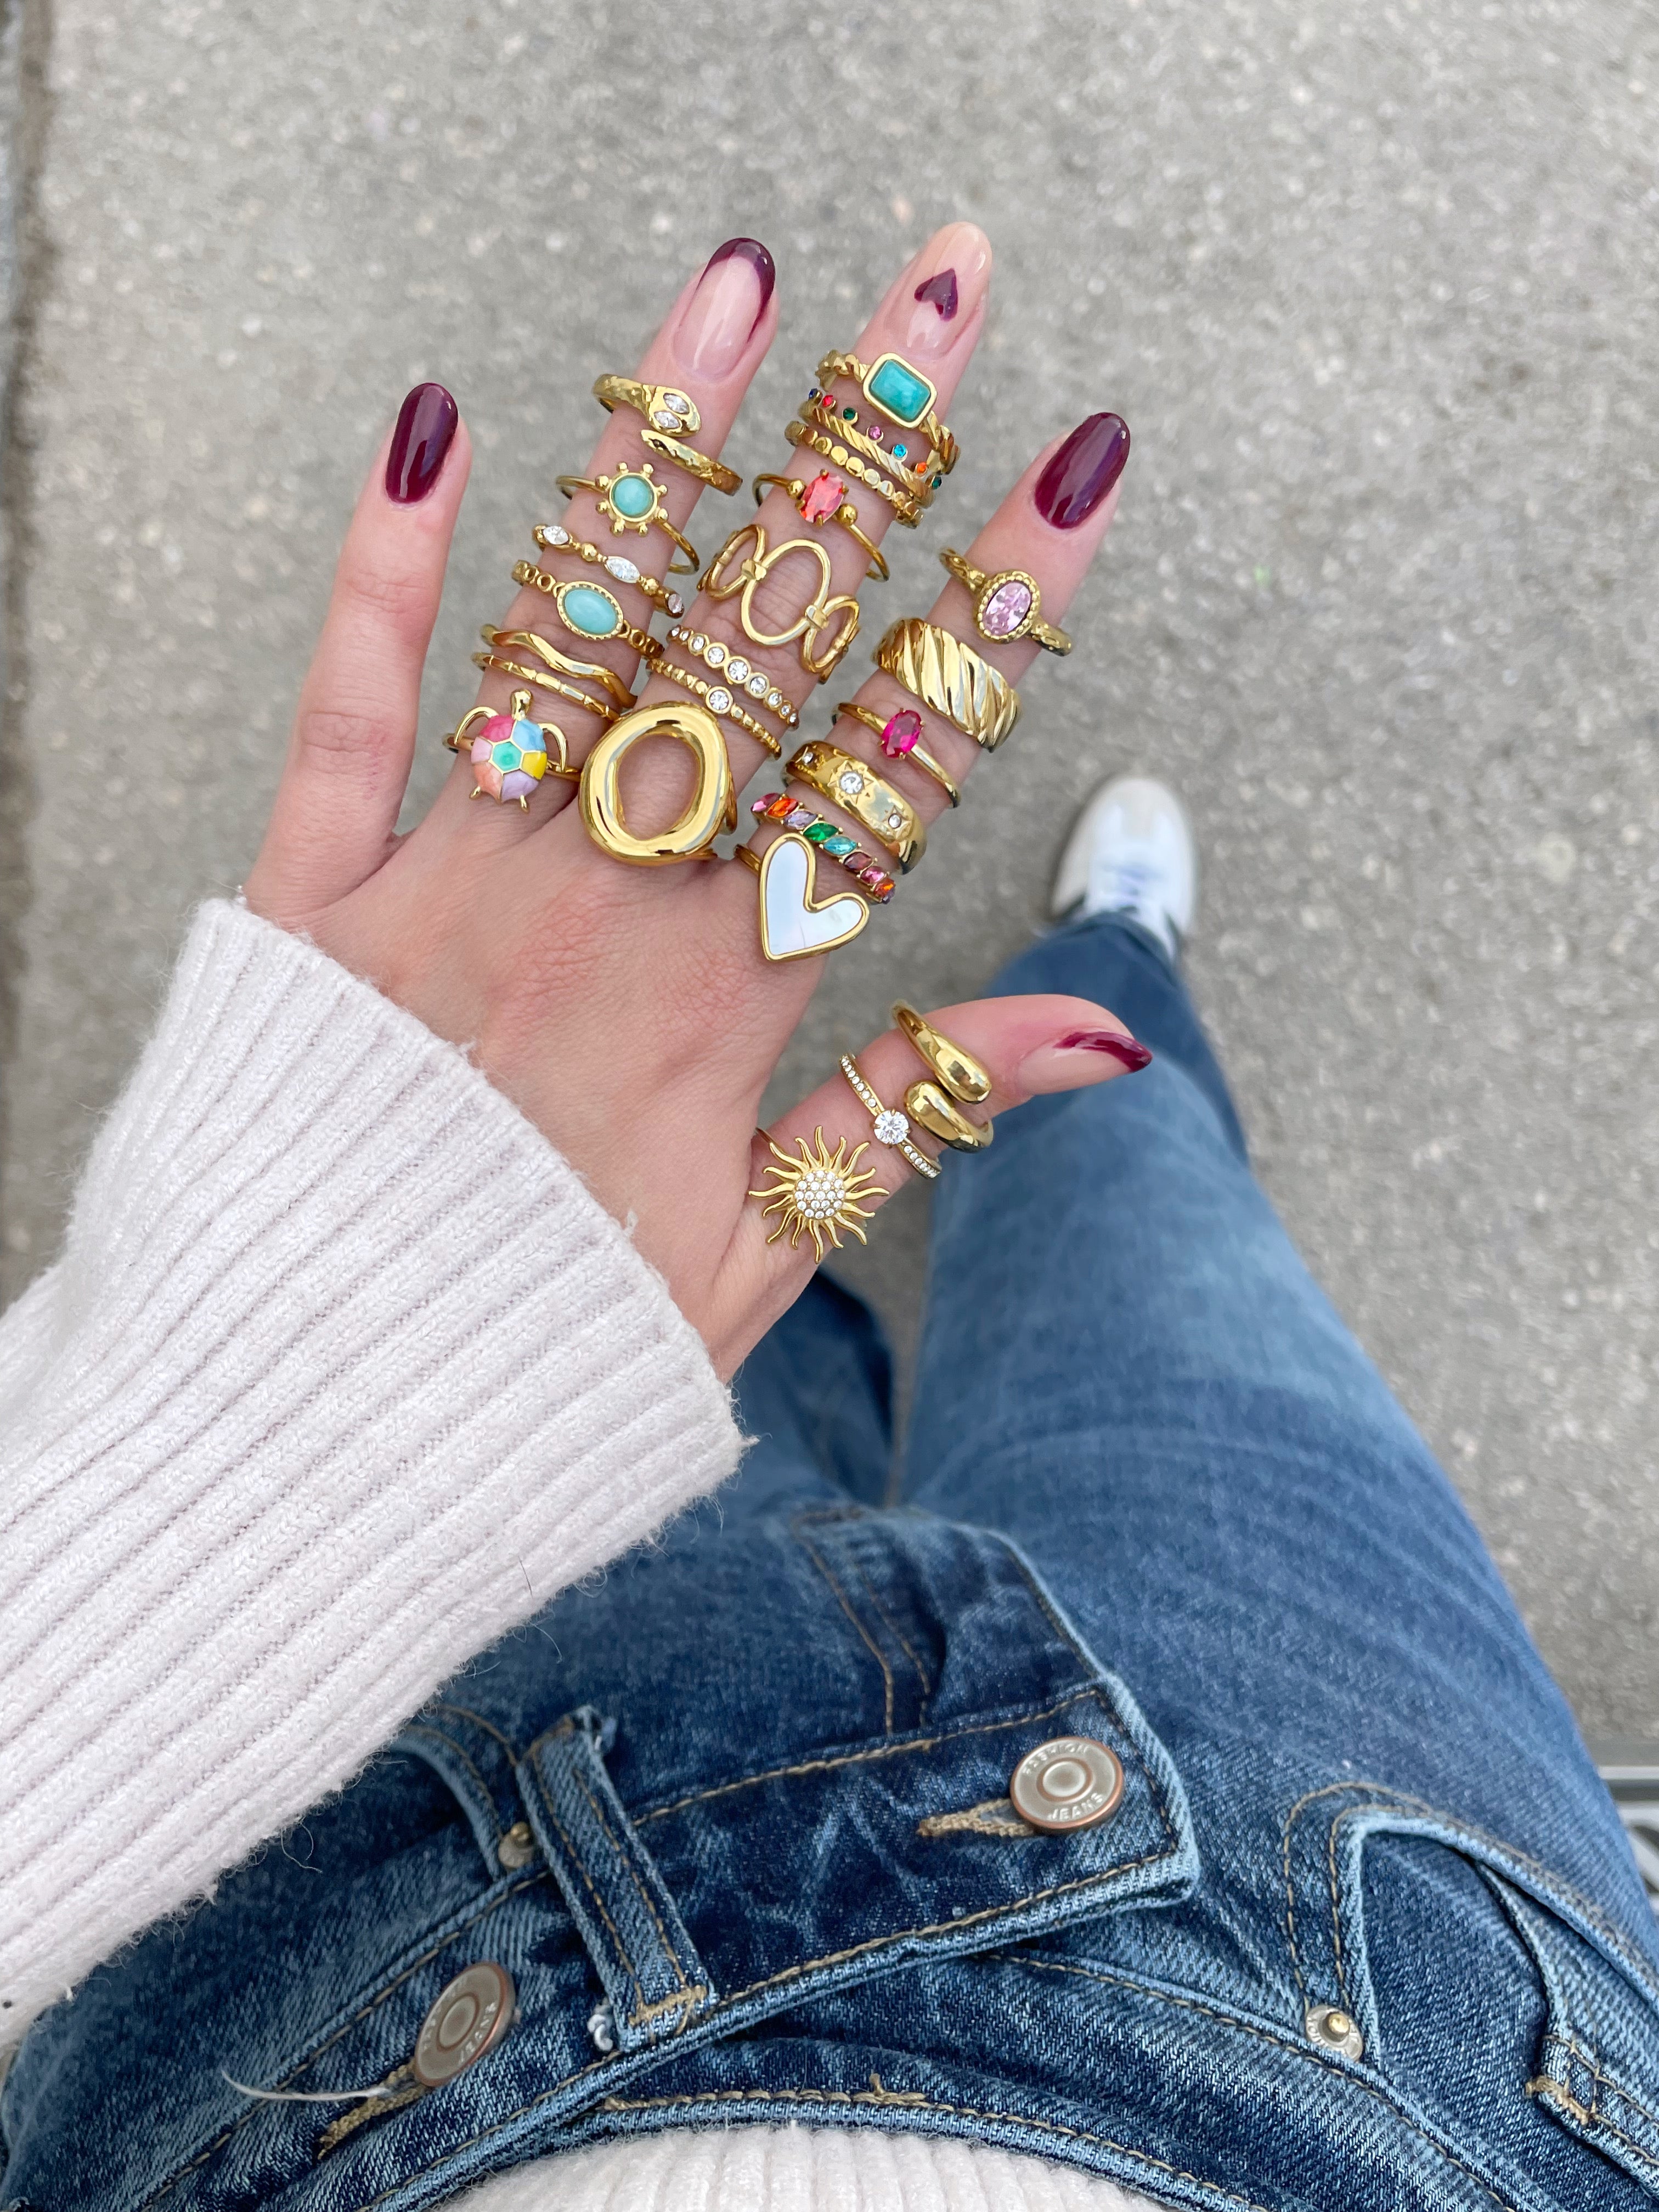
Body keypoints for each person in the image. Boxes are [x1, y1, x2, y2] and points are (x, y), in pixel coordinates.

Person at [1, 227, 1654, 2212]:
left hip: (336, 1924)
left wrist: (238, 1425)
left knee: (756, 1312)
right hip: (1362, 1997)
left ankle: (1047, 1016)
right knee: (1132, 1180)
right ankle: (1108, 963)